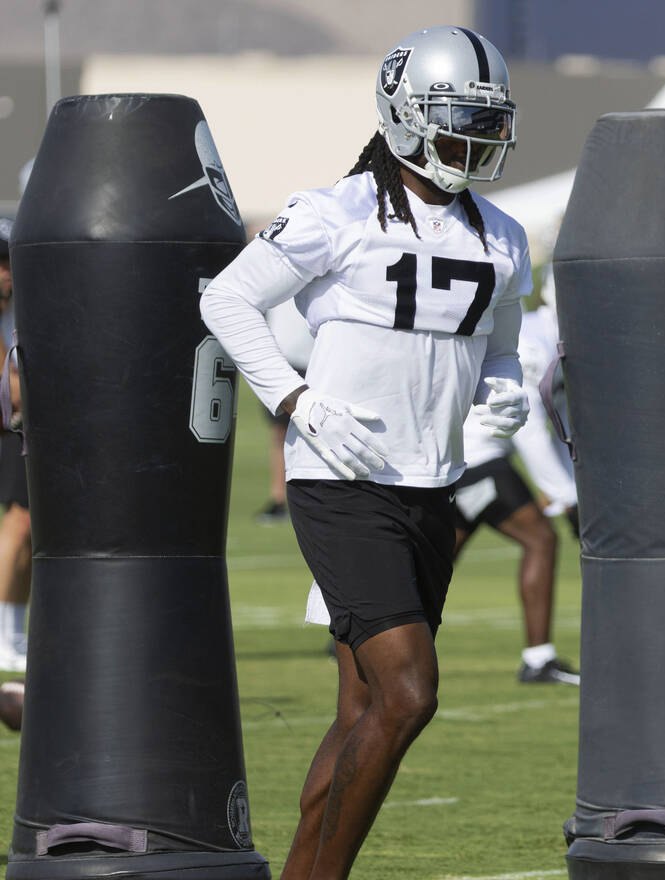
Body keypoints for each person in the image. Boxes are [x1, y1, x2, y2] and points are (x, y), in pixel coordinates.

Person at [199, 26, 529, 880]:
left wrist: (503, 387)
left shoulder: (502, 235)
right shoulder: (337, 211)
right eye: (460, 118)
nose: (479, 139)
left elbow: (498, 348)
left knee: (360, 710)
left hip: (433, 485)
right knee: (410, 692)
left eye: (489, 121)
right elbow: (230, 301)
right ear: (405, 114)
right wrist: (297, 400)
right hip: (342, 480)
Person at [454, 270, 579, 685]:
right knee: (540, 539)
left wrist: (570, 490)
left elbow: (558, 426)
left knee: (431, 557)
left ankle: (350, 630)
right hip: (474, 455)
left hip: (471, 455)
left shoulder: (558, 339)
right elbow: (529, 426)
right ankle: (539, 659)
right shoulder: (533, 340)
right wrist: (566, 497)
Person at [0, 218, 30, 673]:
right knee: (22, 524)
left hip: (14, 431)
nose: (7, 273)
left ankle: (14, 635)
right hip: (11, 426)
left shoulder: (17, 309)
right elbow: (15, 391)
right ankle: (7, 635)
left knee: (26, 524)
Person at [256, 300, 314, 523]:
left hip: (316, 358)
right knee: (280, 433)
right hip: (281, 359)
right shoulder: (276, 272)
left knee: (319, 428)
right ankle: (278, 499)